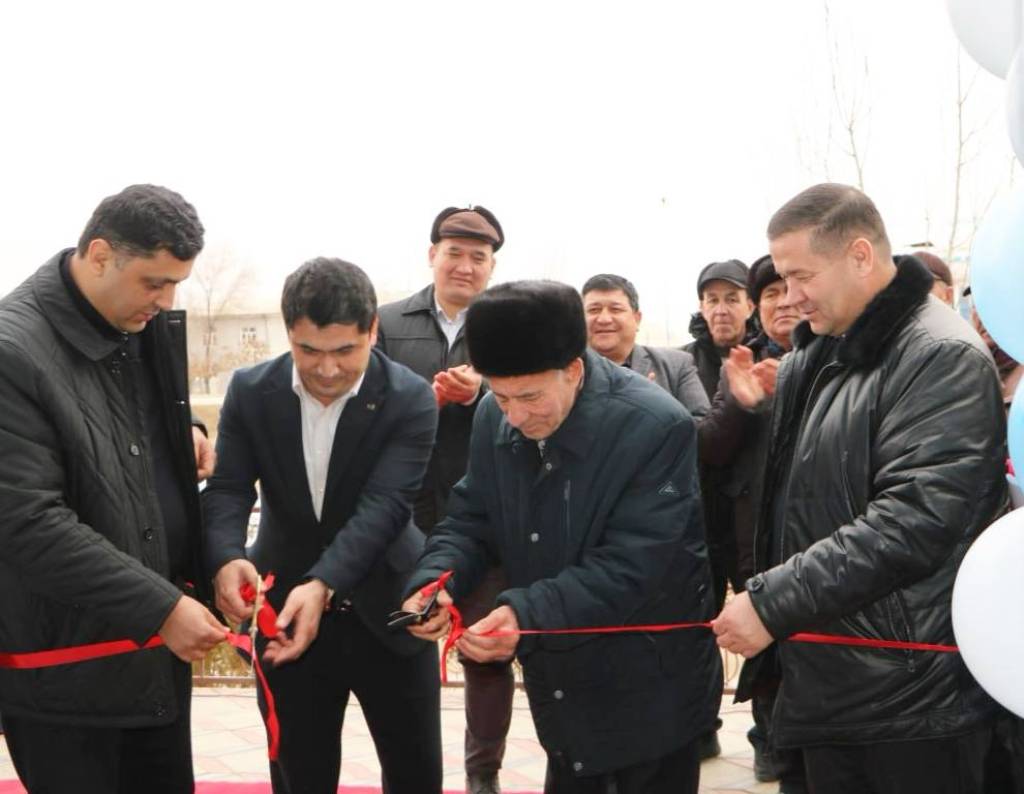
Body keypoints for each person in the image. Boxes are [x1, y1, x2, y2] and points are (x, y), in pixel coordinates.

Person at [713, 183, 1007, 794]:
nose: (789, 297)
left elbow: (914, 520)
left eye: (801, 276)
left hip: (905, 699)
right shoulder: (816, 353)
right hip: (825, 680)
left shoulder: (939, 355)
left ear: (861, 255)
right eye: (781, 280)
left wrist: (771, 604)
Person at [401, 281, 722, 794]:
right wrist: (436, 580)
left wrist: (524, 614)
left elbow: (636, 563)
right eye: (501, 395)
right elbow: (471, 517)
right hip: (560, 686)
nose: (515, 416)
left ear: (573, 369)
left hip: (650, 687)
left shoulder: (655, 425)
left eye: (530, 397)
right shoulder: (493, 417)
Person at [0, 184, 225, 793]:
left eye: (176, 284)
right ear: (100, 255)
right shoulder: (13, 351)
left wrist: (185, 433)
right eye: (155, 282)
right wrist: (162, 608)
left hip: (150, 658)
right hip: (67, 672)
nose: (166, 299)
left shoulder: (135, 321)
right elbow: (26, 522)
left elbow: (124, 428)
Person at [202, 258, 442, 794]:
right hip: (284, 614)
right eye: (308, 351)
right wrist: (226, 557)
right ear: (288, 331)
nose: (327, 370)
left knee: (415, 772)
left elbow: (385, 506)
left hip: (390, 608)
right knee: (299, 773)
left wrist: (323, 583)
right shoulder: (251, 391)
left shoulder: (409, 397)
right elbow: (228, 488)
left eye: (345, 351)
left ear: (372, 330)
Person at [376, 205, 512, 794]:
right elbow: (366, 406)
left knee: (485, 646)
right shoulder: (386, 322)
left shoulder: (509, 324)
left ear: (492, 267)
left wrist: (483, 390)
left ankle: (483, 773)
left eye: (478, 257)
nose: (465, 266)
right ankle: (411, 770)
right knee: (406, 642)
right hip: (403, 514)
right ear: (432, 255)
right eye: (454, 253)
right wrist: (420, 404)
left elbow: (535, 401)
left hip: (485, 514)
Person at [697, 255, 805, 792]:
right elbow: (709, 450)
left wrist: (797, 386)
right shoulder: (741, 363)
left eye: (790, 288)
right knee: (762, 634)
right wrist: (742, 403)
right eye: (770, 294)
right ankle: (768, 739)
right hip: (754, 530)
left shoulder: (840, 355)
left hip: (817, 529)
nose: (782, 302)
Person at [582, 273, 709, 419]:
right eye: (594, 310)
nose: (604, 319)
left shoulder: (676, 365)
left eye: (615, 309)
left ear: (637, 319)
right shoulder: (566, 372)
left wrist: (654, 411)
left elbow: (702, 424)